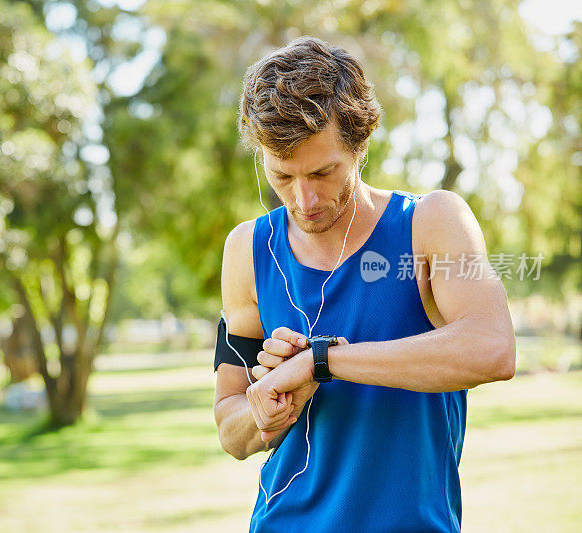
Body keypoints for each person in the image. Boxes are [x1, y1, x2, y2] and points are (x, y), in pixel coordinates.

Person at [213, 36, 516, 533]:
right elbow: (231, 431)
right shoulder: (246, 250)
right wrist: (267, 408)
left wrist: (322, 361)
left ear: (359, 145)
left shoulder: (431, 222)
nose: (304, 199)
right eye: (282, 176)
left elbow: (493, 348)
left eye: (323, 171)